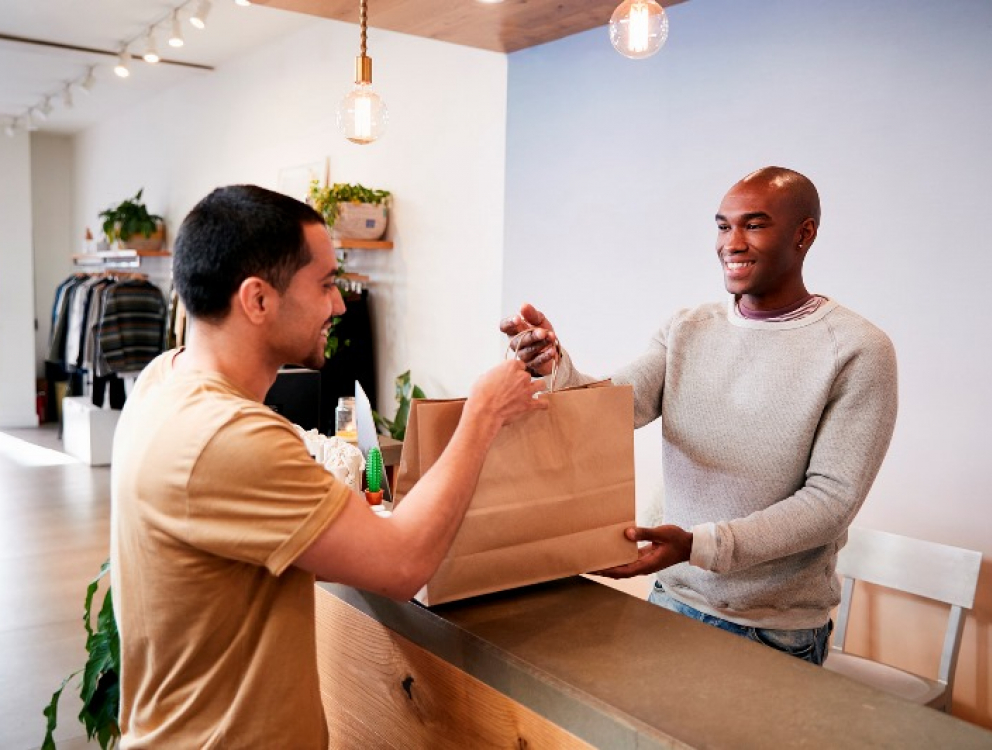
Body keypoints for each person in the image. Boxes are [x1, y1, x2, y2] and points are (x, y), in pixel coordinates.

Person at [110, 184, 547, 748]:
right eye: (324, 285)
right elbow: (403, 563)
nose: (340, 305)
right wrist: (483, 414)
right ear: (258, 300)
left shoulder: (164, 381)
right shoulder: (228, 437)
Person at [501, 166, 898, 665]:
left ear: (804, 234)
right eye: (722, 225)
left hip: (770, 631)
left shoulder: (859, 350)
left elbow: (830, 503)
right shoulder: (688, 328)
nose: (731, 242)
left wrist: (699, 545)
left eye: (753, 225)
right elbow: (612, 410)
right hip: (670, 600)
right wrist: (554, 366)